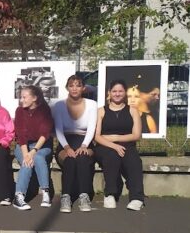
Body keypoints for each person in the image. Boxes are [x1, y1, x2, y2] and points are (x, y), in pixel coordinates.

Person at [94, 80, 145, 211]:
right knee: (111, 157)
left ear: (125, 93)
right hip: (105, 147)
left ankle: (137, 198)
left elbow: (136, 135)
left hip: (127, 146)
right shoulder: (101, 111)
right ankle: (110, 194)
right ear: (109, 93)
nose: (117, 94)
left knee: (134, 161)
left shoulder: (133, 111)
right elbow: (97, 136)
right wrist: (114, 145)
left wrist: (116, 138)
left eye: (120, 91)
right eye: (114, 91)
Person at [53, 74, 97, 213]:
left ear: (83, 88)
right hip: (65, 141)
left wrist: (84, 145)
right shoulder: (59, 105)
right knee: (70, 160)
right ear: (67, 88)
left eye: (78, 85)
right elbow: (58, 129)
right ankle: (66, 197)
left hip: (85, 140)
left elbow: (91, 128)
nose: (74, 88)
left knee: (83, 158)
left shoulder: (92, 104)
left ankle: (84, 196)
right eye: (71, 85)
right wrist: (66, 147)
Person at [12, 85, 54, 210]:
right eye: (21, 97)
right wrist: (27, 154)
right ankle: (19, 197)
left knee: (39, 158)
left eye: (25, 97)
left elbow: (45, 133)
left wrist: (33, 152)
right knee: (27, 162)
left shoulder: (45, 110)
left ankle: (45, 192)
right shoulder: (20, 111)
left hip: (41, 145)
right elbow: (21, 135)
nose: (22, 100)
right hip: (24, 145)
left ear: (34, 98)